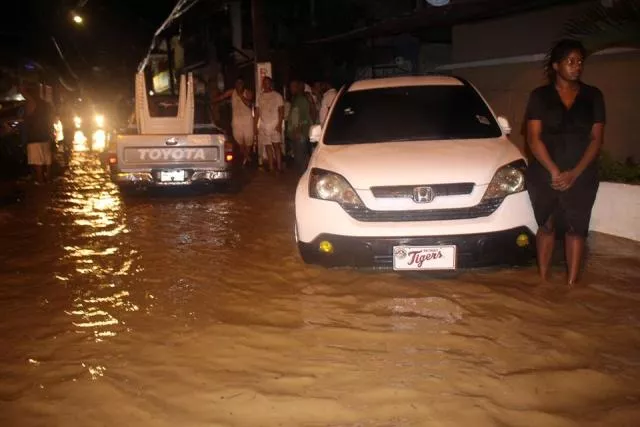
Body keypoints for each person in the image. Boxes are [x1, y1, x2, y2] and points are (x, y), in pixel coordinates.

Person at [525, 39, 606, 286]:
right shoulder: (540, 96)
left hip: (582, 174)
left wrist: (574, 173)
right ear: (556, 66)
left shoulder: (593, 96)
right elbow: (533, 137)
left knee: (576, 227)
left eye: (580, 61)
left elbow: (596, 139)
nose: (577, 66)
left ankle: (572, 285)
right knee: (547, 225)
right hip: (544, 173)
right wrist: (554, 171)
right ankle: (543, 281)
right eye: (570, 61)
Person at [214, 78, 254, 166]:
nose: (239, 85)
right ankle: (246, 156)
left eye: (240, 83)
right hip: (237, 120)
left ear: (243, 84)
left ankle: (246, 157)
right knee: (239, 140)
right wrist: (213, 100)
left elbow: (248, 103)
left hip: (247, 120)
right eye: (237, 83)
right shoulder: (232, 92)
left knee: (248, 140)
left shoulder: (247, 92)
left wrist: (241, 96)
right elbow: (222, 97)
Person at [21, 84, 55, 184]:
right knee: (46, 160)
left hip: (34, 136)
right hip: (45, 135)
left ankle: (40, 181)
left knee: (37, 161)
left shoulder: (32, 103)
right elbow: (51, 118)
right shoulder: (46, 104)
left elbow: (29, 101)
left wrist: (23, 91)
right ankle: (47, 179)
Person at [255, 76, 284, 172]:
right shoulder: (260, 97)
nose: (266, 84)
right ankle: (271, 167)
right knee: (267, 146)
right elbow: (257, 112)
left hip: (274, 124)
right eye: (265, 83)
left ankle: (279, 167)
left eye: (268, 82)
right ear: (263, 85)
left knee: (276, 146)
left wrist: (279, 124)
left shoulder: (277, 95)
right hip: (264, 125)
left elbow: (281, 111)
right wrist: (255, 126)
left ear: (271, 84)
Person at [286, 80, 313, 173]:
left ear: (298, 87)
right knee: (300, 158)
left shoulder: (300, 100)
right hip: (299, 133)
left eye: (293, 86)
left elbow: (299, 116)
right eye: (291, 86)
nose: (291, 89)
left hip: (299, 134)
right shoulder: (297, 99)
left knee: (300, 159)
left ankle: (303, 180)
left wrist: (297, 131)